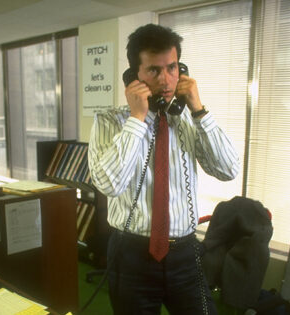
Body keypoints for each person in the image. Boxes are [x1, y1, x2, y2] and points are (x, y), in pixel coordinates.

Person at [88, 23, 240, 315]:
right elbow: (108, 184)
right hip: (130, 253)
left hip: (185, 251)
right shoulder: (109, 122)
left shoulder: (189, 120)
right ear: (135, 77)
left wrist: (199, 110)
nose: (167, 80)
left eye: (172, 68)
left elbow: (228, 169)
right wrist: (137, 119)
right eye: (154, 71)